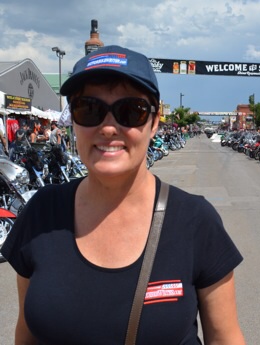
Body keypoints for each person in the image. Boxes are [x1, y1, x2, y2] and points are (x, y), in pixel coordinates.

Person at [1, 45, 246, 345]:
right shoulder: (41, 213)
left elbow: (226, 339)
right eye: (88, 109)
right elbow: (26, 336)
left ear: (154, 123)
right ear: (73, 122)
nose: (108, 128)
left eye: (130, 111)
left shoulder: (195, 222)